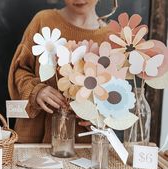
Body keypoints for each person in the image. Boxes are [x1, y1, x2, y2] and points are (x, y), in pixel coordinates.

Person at [8, 0, 111, 143]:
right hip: (33, 139)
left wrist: (103, 115)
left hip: (83, 145)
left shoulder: (111, 37)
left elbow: (113, 94)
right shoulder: (43, 20)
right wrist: (36, 91)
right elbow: (19, 69)